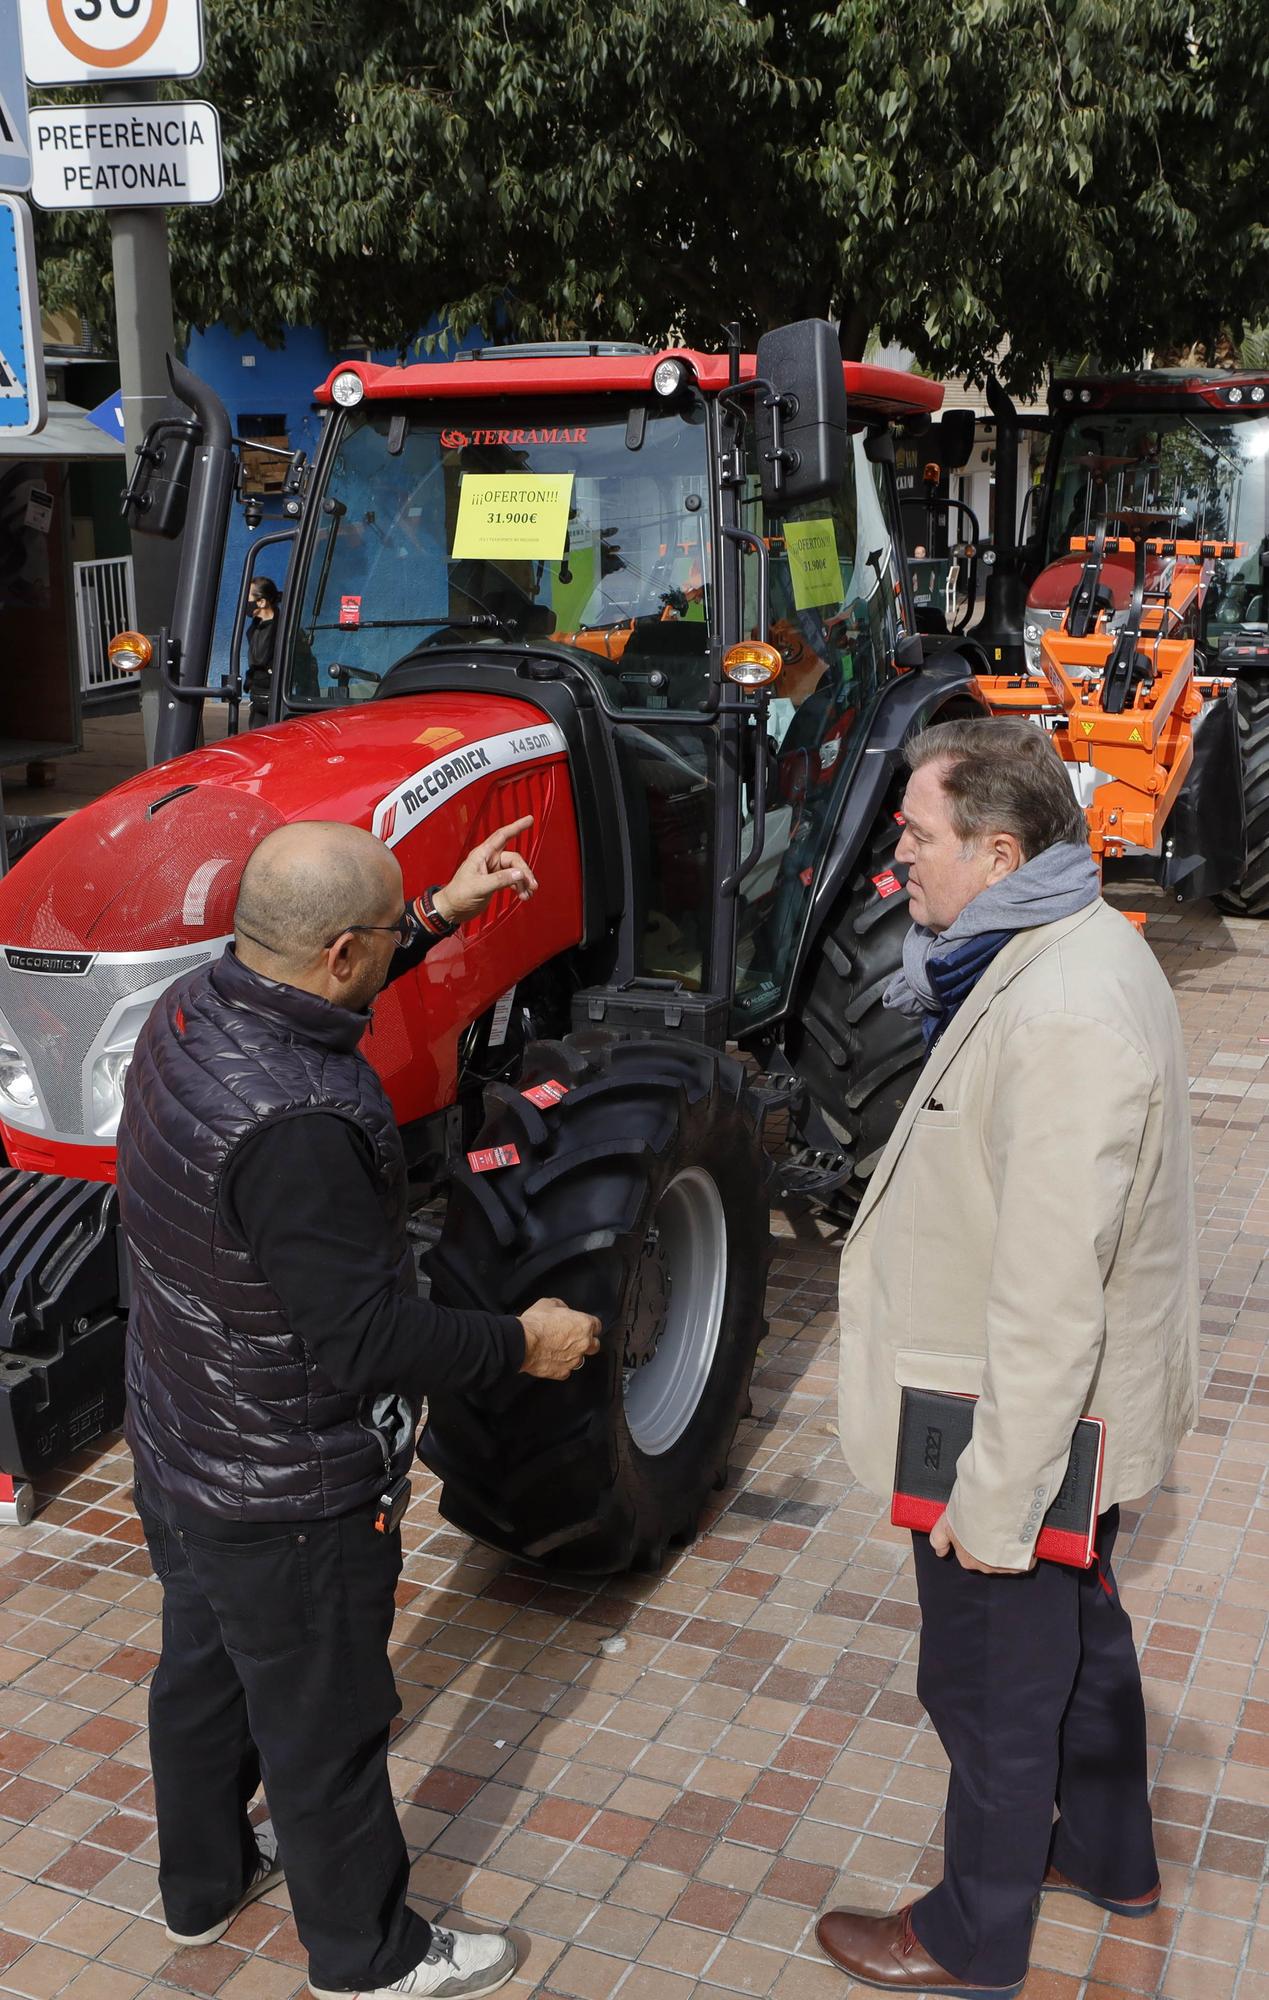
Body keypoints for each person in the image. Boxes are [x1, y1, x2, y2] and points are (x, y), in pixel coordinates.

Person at [116, 815, 601, 2000]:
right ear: (339, 949)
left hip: (185, 1435)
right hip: (287, 1481)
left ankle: (202, 1885)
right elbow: (367, 1337)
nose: (398, 946)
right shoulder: (302, 1131)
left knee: (202, 1671)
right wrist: (521, 1342)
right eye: (389, 934)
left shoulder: (197, 1006)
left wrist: (441, 909)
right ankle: (367, 1955)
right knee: (325, 1726)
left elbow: (308, 1008)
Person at [817, 718, 1198, 1997]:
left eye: (917, 835)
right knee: (1078, 1637)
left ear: (996, 848)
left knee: (986, 1676)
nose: (897, 857)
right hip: (1025, 1401)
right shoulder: (1049, 944)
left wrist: (996, 1493)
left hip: (1012, 1415)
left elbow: (1050, 1292)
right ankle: (1107, 1853)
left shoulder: (1064, 1007)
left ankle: (974, 1931)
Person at [245, 576, 280, 725]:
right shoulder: (255, 628)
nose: (246, 605)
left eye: (249, 600)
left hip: (276, 701)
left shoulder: (283, 630)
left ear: (262, 602)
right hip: (258, 699)